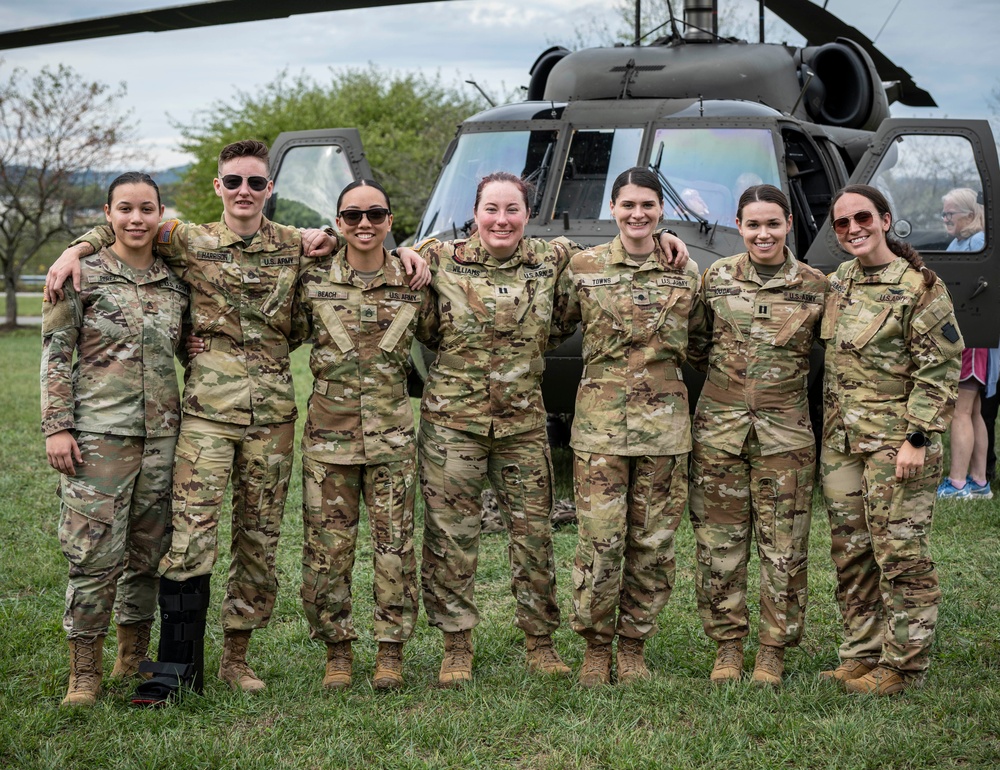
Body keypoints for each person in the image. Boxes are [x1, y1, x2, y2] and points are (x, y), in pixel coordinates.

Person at [45, 139, 429, 704]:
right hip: (205, 417)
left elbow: (333, 279)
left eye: (255, 182)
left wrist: (415, 251)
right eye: (233, 182)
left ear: (269, 188)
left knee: (258, 537)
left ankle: (236, 658)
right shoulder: (188, 240)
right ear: (218, 187)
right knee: (190, 537)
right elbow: (131, 222)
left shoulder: (301, 246)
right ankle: (175, 662)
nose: (244, 192)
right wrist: (73, 249)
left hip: (272, 417)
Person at [414, 171, 688, 687]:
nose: (501, 220)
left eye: (512, 209)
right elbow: (420, 312)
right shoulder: (437, 259)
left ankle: (539, 641)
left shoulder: (552, 258)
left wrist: (664, 237)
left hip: (522, 421)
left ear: (527, 214)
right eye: (491, 209)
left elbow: (572, 307)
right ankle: (456, 646)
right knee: (450, 537)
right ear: (475, 213)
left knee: (534, 537)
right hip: (454, 420)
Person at [41, 172, 189, 706]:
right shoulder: (81, 275)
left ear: (159, 213)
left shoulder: (176, 282)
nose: (136, 218)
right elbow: (56, 354)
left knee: (149, 554)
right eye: (124, 208)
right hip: (98, 437)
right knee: (93, 555)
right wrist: (57, 426)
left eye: (146, 208)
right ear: (107, 214)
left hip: (161, 439)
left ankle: (132, 653)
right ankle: (84, 669)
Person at [555, 167, 702, 686]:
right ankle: (596, 646)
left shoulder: (686, 272)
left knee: (654, 542)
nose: (637, 214)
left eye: (648, 205)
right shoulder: (582, 267)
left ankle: (635, 644)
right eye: (627, 205)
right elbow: (552, 323)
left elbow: (701, 339)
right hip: (600, 430)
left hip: (663, 432)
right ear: (612, 209)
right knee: (600, 540)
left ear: (662, 211)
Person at [820, 184, 962, 695]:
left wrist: (918, 438)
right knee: (852, 552)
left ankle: (903, 665)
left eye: (863, 218)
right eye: (842, 223)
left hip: (896, 443)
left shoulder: (920, 285)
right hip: (843, 441)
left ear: (884, 219)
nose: (854, 228)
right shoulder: (838, 281)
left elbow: (942, 366)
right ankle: (861, 652)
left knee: (900, 553)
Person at [687, 184, 826, 687]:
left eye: (772, 223)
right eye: (753, 224)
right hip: (720, 434)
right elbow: (698, 343)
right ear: (739, 226)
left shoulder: (815, 285)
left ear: (788, 223)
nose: (762, 233)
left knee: (783, 547)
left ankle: (772, 649)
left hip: (785, 437)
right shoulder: (717, 278)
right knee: (718, 544)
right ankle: (727, 646)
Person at [295, 179, 429, 690]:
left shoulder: (415, 279)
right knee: (327, 550)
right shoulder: (312, 279)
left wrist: (422, 253)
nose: (364, 224)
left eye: (375, 214)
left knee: (395, 546)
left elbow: (439, 330)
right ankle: (338, 651)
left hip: (392, 440)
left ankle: (390, 652)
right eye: (352, 216)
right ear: (338, 222)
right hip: (329, 440)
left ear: (390, 221)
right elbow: (279, 331)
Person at [937, 188, 992, 499]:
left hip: (968, 340)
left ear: (970, 215)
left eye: (951, 214)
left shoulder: (974, 244)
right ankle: (979, 481)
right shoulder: (962, 242)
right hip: (974, 340)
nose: (945, 218)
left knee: (960, 410)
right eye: (943, 213)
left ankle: (958, 484)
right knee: (973, 411)